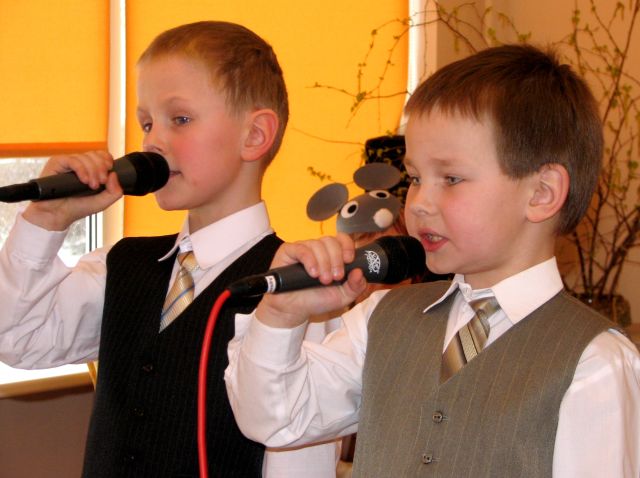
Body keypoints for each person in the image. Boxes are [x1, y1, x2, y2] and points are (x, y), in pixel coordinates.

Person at [225, 44, 640, 477]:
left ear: (541, 193)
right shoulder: (382, 318)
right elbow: (275, 420)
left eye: (451, 178)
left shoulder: (595, 361)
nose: (419, 202)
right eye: (416, 178)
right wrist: (280, 316)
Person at [0, 21, 334, 477]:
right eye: (146, 123)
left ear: (255, 135)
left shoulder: (295, 290)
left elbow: (297, 458)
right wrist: (47, 220)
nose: (152, 141)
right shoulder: (122, 266)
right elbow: (18, 339)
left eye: (180, 119)